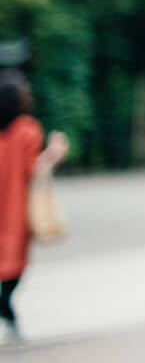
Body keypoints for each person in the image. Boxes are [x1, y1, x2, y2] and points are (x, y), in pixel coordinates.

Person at [0, 68, 70, 343]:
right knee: (13, 267)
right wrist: (55, 153)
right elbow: (35, 170)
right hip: (14, 211)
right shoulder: (27, 130)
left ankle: (7, 311)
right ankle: (7, 310)